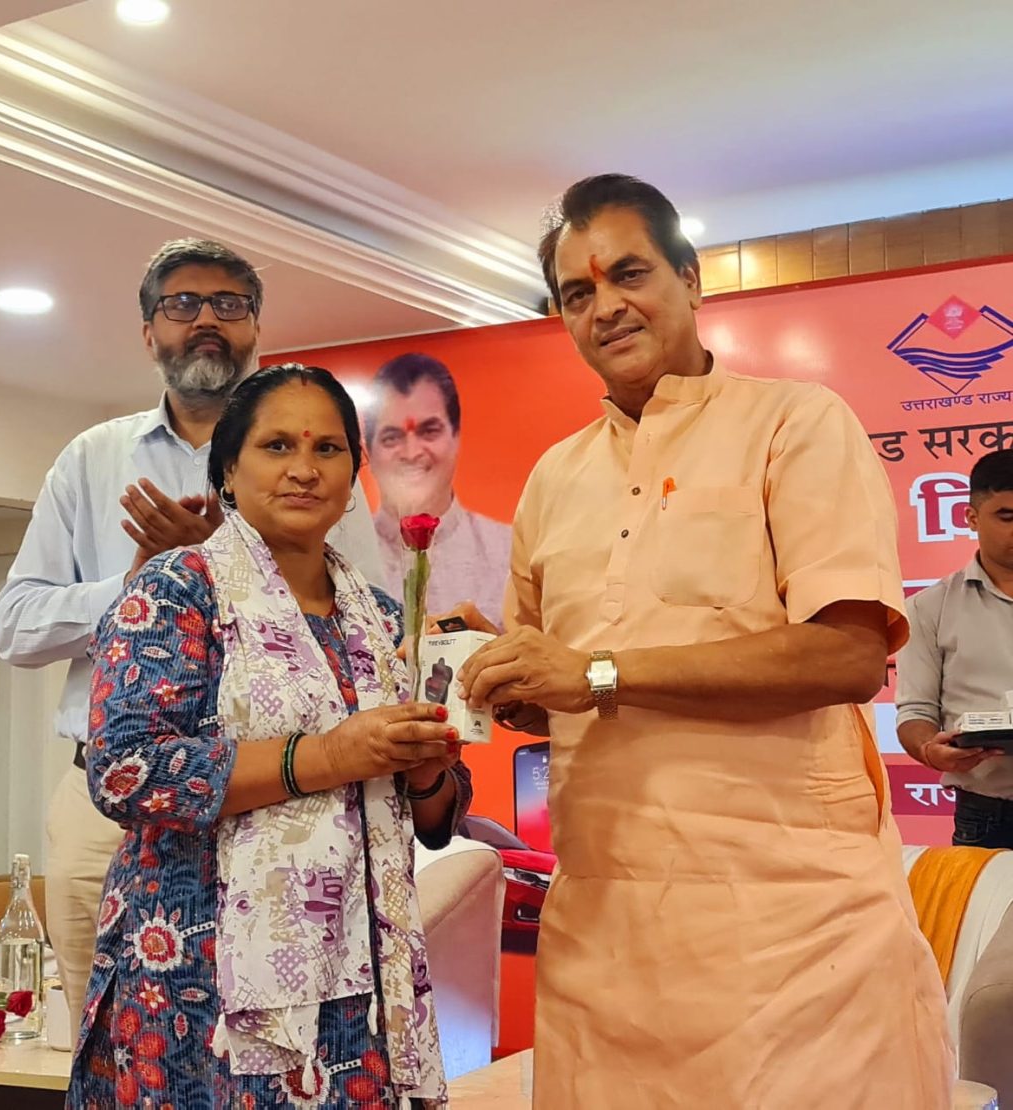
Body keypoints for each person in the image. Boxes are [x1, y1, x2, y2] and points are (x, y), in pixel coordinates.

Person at [457, 174, 952, 1107]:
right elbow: (559, 694)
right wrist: (505, 678)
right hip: (606, 933)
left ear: (690, 279)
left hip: (791, 927)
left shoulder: (794, 423)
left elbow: (847, 656)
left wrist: (597, 673)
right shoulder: (554, 479)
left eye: (629, 274)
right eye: (577, 293)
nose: (606, 307)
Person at [0, 239, 384, 1043]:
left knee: (272, 1047)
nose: (207, 319)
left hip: (288, 804)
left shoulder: (319, 472)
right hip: (108, 800)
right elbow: (16, 627)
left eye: (229, 304)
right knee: (112, 1039)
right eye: (183, 304)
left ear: (256, 328)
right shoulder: (93, 457)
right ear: (148, 332)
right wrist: (143, 585)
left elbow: (367, 629)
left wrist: (240, 570)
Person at [67, 364, 470, 1108]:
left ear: (352, 474)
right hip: (201, 970)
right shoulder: (178, 590)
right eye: (277, 446)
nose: (304, 469)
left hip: (361, 976)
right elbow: (126, 772)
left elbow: (437, 814)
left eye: (327, 449)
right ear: (228, 468)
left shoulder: (382, 618)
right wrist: (326, 757)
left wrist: (424, 769)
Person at [896, 449, 1013, 845]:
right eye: (1007, 516)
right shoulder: (928, 608)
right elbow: (916, 711)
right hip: (989, 814)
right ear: (971, 517)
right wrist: (930, 750)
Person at [367, 353, 511, 629]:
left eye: (429, 431)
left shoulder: (511, 554)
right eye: (391, 437)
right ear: (369, 453)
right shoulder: (340, 563)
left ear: (456, 438)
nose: (411, 453)